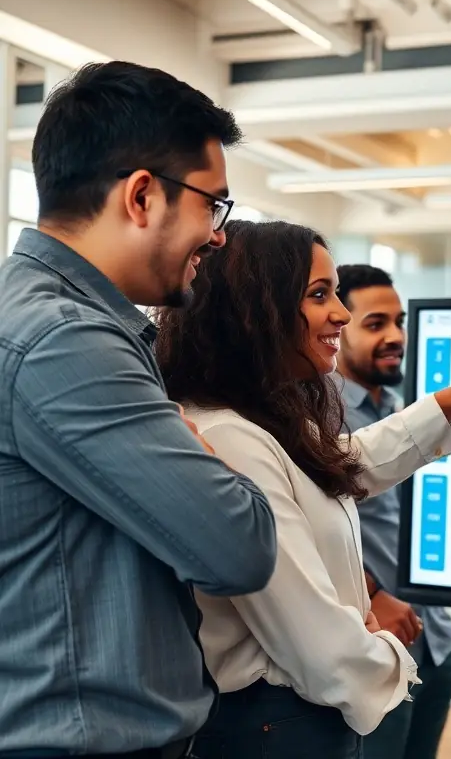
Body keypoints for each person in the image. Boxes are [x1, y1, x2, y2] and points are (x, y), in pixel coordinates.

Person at [154, 220, 451, 758]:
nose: (341, 315)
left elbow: (342, 464)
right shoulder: (230, 437)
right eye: (319, 294)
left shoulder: (261, 421)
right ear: (259, 310)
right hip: (273, 730)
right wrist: (383, 645)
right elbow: (315, 641)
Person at [0, 62, 279, 758]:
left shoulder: (32, 315)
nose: (219, 235)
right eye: (213, 205)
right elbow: (238, 547)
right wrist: (207, 456)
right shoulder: (67, 342)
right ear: (143, 196)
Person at [330, 264, 451, 759]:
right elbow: (306, 526)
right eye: (375, 323)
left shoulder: (400, 411)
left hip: (434, 640)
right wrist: (373, 594)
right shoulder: (318, 414)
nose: (395, 336)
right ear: (338, 325)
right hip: (376, 639)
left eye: (399, 322)